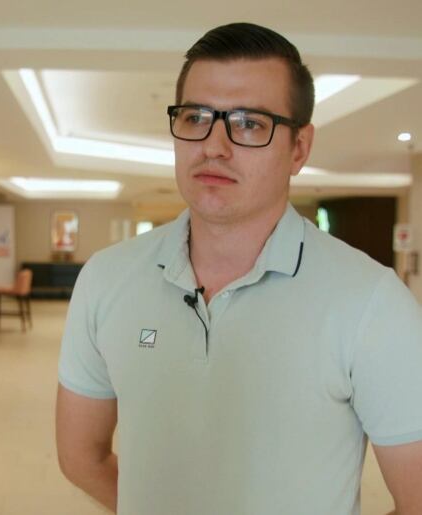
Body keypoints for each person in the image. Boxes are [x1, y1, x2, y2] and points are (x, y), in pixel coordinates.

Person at [56, 22, 422, 515]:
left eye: (250, 122)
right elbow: (81, 457)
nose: (214, 145)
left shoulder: (373, 302)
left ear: (299, 147)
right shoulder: (105, 277)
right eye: (195, 117)